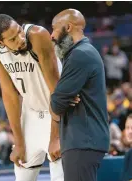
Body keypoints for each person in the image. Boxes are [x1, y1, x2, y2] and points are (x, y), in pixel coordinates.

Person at [0, 14, 79, 181]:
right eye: (13, 39)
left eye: (20, 31)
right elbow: (9, 94)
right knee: (22, 175)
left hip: (57, 111)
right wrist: (19, 141)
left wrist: (55, 137)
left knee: (60, 175)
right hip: (31, 113)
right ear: (1, 43)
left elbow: (55, 92)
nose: (21, 39)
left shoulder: (37, 35)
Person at [50, 9, 110, 181]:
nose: (51, 35)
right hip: (83, 141)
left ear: (68, 27)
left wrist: (56, 101)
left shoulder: (80, 55)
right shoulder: (80, 53)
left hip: (83, 141)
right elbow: (59, 101)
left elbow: (56, 104)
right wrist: (59, 99)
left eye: (54, 29)